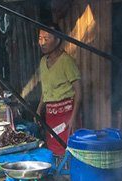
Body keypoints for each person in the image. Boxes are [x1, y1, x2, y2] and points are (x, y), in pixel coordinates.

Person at [36, 23, 81, 155]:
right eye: (40, 38)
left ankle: (69, 176)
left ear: (57, 40)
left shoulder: (66, 61)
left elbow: (78, 91)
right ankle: (58, 176)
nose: (42, 43)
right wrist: (39, 109)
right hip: (51, 115)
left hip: (67, 114)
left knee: (67, 149)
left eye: (46, 38)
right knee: (53, 148)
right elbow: (45, 90)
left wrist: (73, 117)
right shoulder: (43, 62)